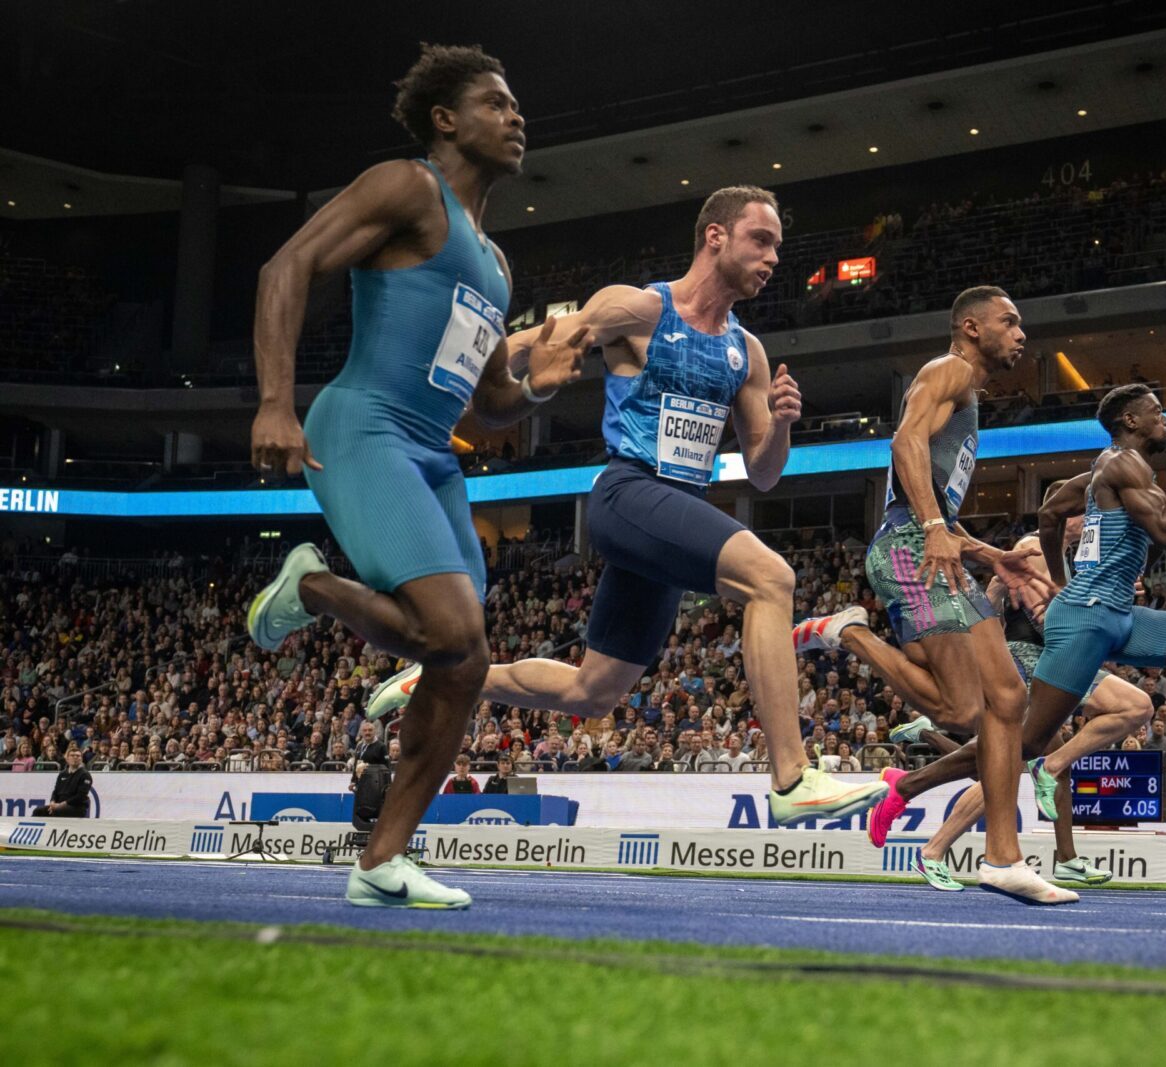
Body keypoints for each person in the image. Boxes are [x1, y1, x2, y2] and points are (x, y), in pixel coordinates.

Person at [368, 185, 885, 825]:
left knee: (593, 691)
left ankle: (443, 673)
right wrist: (447, 380)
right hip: (627, 494)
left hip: (668, 522)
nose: (774, 256)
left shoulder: (746, 352)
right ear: (715, 237)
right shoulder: (639, 309)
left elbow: (764, 473)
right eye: (762, 239)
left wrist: (780, 424)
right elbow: (534, 342)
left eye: (778, 245)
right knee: (771, 579)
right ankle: (790, 778)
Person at [245, 46, 586, 911]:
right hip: (363, 426)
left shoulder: (498, 264)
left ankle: (382, 862)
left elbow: (489, 403)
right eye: (497, 104)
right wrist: (276, 404)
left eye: (518, 107)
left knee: (463, 660)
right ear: (446, 119)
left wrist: (538, 382)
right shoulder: (406, 187)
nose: (518, 119)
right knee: (449, 629)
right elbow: (282, 268)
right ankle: (313, 584)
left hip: (434, 453)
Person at [856, 387, 1166, 903]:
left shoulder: (1101, 471)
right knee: (1024, 746)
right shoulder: (1125, 466)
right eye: (1157, 411)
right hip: (1087, 621)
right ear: (1131, 420)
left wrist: (1063, 583)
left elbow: (1049, 512)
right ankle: (905, 788)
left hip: (1115, 615)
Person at [790, 286, 1061, 902]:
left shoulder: (967, 395)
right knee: (965, 712)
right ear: (970, 326)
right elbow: (903, 443)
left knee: (1007, 700)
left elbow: (932, 494)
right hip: (910, 549)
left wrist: (991, 554)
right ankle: (849, 632)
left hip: (932, 545)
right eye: (1009, 321)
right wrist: (937, 530)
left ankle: (1001, 858)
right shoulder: (949, 371)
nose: (1021, 334)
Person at [876, 531, 1153, 894]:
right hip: (1034, 660)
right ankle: (927, 829)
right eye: (1089, 510)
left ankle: (1064, 858)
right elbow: (1049, 620)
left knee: (1031, 761)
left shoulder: (1067, 557)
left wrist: (1110, 596)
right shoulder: (1033, 547)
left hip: (1042, 659)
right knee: (1126, 709)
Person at [31, 745, 91, 818]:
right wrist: (52, 802)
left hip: (76, 807)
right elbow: (55, 791)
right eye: (72, 755)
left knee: (58, 811)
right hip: (59, 805)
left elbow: (80, 796)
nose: (75, 757)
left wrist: (61, 805)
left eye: (78, 756)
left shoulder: (85, 775)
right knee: (38, 811)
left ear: (81, 759)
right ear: (67, 758)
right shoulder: (62, 774)